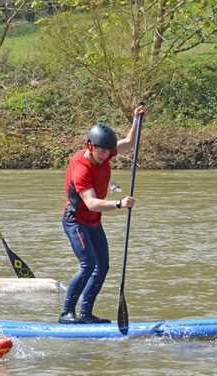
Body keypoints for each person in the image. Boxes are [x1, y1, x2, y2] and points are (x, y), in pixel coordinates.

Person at [59, 104, 147, 324]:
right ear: (90, 146)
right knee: (88, 264)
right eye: (101, 151)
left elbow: (128, 143)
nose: (105, 155)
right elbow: (90, 203)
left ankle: (85, 314)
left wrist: (137, 120)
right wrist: (119, 203)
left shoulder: (104, 154)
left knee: (103, 266)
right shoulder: (81, 167)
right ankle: (66, 313)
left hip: (94, 222)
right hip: (76, 221)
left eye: (108, 152)